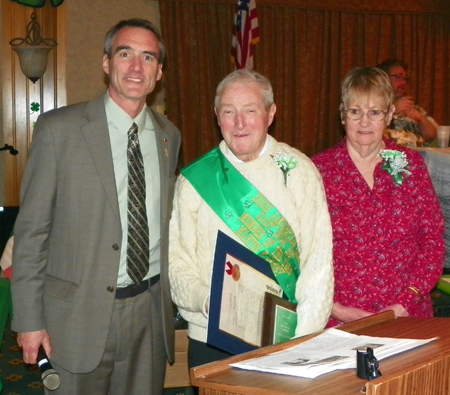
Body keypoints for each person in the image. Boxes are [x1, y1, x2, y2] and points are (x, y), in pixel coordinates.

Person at [11, 19, 181, 395]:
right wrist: (29, 319)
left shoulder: (169, 136)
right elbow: (31, 231)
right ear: (106, 63)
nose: (136, 67)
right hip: (75, 319)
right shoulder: (59, 130)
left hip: (148, 315)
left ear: (159, 72)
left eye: (148, 57)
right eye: (125, 54)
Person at [169, 70, 334, 371]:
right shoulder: (193, 181)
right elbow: (178, 263)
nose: (239, 123)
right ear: (217, 116)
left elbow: (318, 263)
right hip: (212, 337)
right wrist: (211, 302)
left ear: (271, 113)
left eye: (250, 110)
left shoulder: (300, 172)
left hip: (285, 337)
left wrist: (302, 338)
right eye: (229, 112)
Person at [312, 67, 445, 328]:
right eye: (355, 111)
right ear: (343, 114)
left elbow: (432, 241)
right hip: (339, 321)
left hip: (407, 316)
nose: (364, 122)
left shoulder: (412, 165)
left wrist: (407, 301)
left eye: (375, 112)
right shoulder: (318, 171)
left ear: (390, 115)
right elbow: (301, 252)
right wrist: (335, 308)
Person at [376, 59, 437, 147]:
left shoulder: (410, 105)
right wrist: (393, 111)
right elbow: (369, 130)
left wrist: (421, 120)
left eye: (405, 78)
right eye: (398, 77)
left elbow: (431, 137)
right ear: (383, 79)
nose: (404, 82)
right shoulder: (373, 105)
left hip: (415, 156)